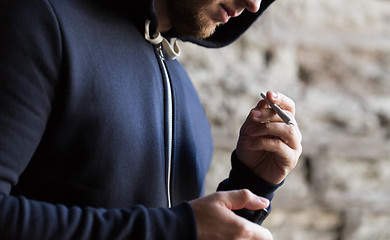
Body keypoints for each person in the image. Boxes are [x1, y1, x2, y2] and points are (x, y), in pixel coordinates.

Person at [0, 0, 302, 239]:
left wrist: (252, 181)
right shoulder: (41, 20)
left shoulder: (185, 93)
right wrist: (176, 229)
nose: (253, 4)